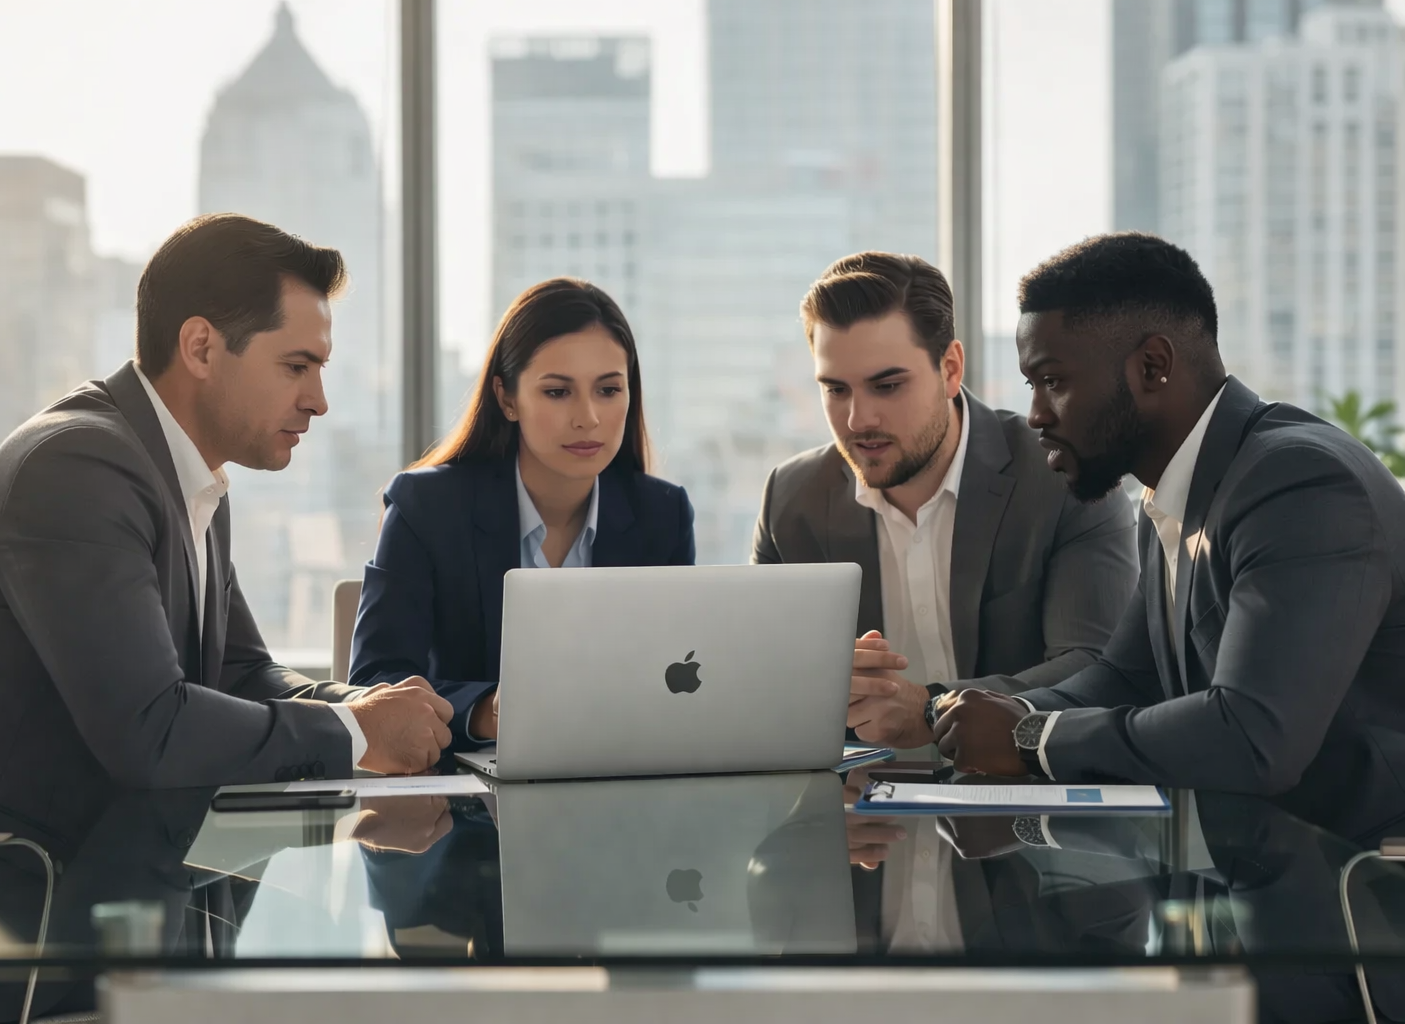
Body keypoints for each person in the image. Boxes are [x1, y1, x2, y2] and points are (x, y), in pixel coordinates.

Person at [0, 214, 454, 856]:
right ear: (201, 347)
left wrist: (365, 704)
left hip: (101, 865)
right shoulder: (76, 468)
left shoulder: (188, 475)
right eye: (296, 366)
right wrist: (358, 732)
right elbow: (151, 730)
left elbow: (242, 672)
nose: (318, 400)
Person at [933, 232, 1405, 844]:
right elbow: (1129, 676)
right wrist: (1019, 713)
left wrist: (1032, 741)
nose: (1037, 415)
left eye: (1053, 380)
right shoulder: (1172, 495)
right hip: (1282, 876)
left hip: (1371, 894)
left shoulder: (1300, 483)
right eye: (1032, 387)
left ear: (1152, 366)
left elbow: (1254, 736)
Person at [752, 252, 1138, 749]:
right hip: (858, 806)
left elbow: (1096, 670)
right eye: (836, 390)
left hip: (1022, 803)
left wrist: (932, 708)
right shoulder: (791, 499)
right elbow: (761, 682)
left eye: (887, 385)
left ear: (950, 368)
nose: (858, 420)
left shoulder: (1061, 478)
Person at [347, 278, 695, 750]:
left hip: (620, 785)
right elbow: (375, 682)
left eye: (609, 389)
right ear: (507, 398)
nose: (588, 418)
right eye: (557, 392)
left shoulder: (663, 514)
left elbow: (681, 679)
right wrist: (488, 712)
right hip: (460, 804)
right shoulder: (426, 508)